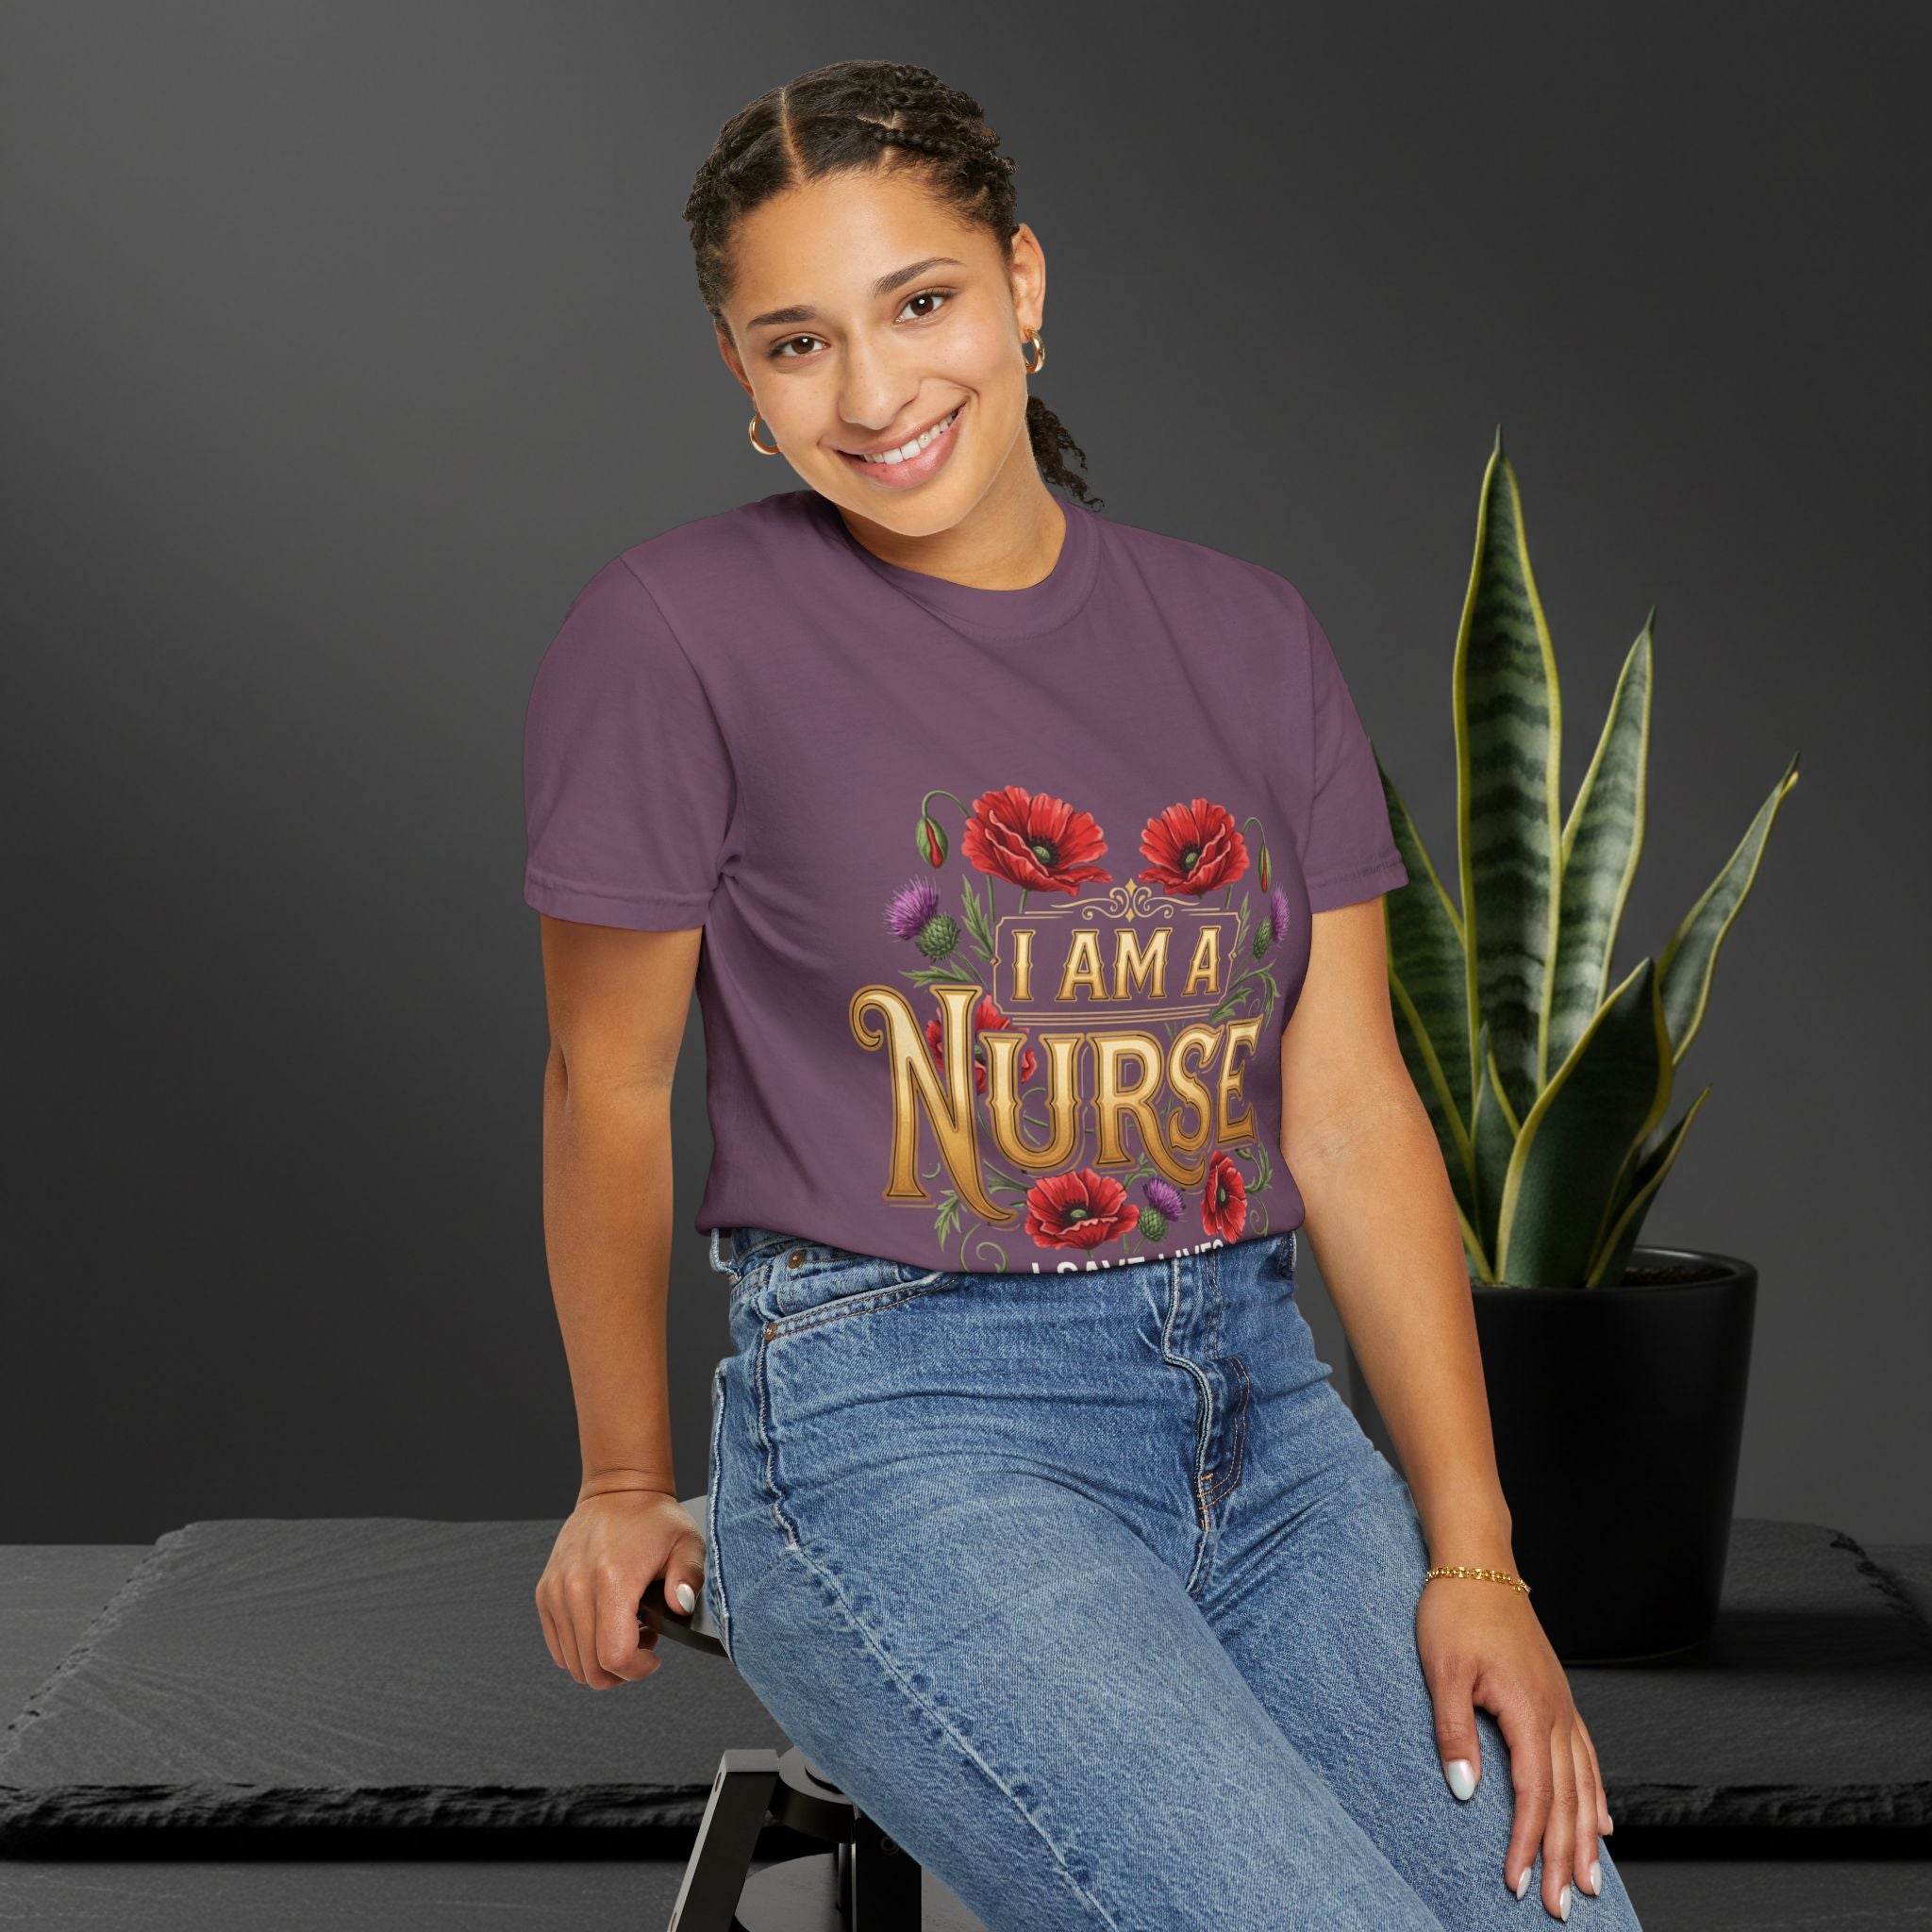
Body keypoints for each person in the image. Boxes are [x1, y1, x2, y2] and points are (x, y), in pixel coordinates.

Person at [522, 57, 1641, 1932]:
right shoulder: (672, 634)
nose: (873, 394)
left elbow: (1352, 1109)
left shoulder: (1246, 633)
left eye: (922, 303)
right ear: (738, 372)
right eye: (795, 344)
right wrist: (625, 1474)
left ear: (1023, 283)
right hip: (901, 1435)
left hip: (1269, 1428)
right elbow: (604, 1085)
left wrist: (1477, 1556)